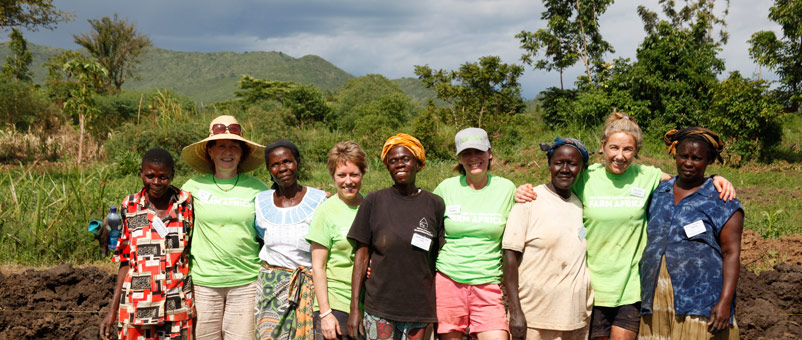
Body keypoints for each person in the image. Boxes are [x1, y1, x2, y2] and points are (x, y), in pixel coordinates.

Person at [514, 112, 736, 340]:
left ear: (636, 151)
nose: (620, 156)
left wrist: (715, 178)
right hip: (590, 286)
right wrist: (522, 190)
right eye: (614, 148)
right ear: (603, 147)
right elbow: (555, 185)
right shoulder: (585, 177)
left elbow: (688, 178)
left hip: (631, 286)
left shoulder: (646, 175)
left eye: (627, 149)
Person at [638, 128, 743, 339]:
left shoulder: (721, 200)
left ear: (708, 161)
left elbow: (731, 253)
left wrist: (724, 302)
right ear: (675, 155)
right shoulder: (659, 192)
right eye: (683, 156)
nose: (688, 162)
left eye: (697, 158)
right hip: (656, 297)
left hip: (701, 301)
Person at [347, 133, 445, 340]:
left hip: (420, 308)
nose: (399, 164)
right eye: (393, 161)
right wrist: (354, 308)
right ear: (388, 167)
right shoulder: (374, 201)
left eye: (405, 159)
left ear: (418, 163)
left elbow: (438, 259)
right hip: (380, 308)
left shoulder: (434, 204)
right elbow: (362, 256)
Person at [181, 115, 269, 340]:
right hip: (204, 282)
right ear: (209, 151)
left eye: (233, 146)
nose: (227, 152)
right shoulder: (193, 187)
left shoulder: (258, 189)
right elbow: (170, 220)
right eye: (221, 146)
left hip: (246, 281)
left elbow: (278, 220)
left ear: (242, 152)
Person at [503, 137, 593, 340]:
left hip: (575, 318)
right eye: (559, 162)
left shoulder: (579, 204)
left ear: (582, 169)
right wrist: (516, 312)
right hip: (535, 319)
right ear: (549, 165)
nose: (565, 169)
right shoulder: (530, 201)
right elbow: (509, 258)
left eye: (572, 164)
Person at [100, 148, 195, 340]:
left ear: (173, 175)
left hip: (176, 306)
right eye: (150, 176)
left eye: (163, 177)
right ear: (141, 173)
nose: (157, 183)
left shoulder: (187, 204)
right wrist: (112, 312)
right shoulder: (130, 206)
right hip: (138, 306)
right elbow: (125, 260)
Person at [432, 128, 515, 340]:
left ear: (490, 153)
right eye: (466, 153)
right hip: (449, 281)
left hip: (488, 283)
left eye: (478, 152)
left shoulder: (507, 189)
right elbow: (426, 227)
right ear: (459, 158)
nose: (473, 158)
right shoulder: (446, 188)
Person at [254, 139, 327, 340]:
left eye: (287, 161)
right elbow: (260, 236)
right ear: (269, 170)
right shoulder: (261, 201)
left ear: (298, 162)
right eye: (275, 164)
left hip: (309, 284)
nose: (282, 168)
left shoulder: (319, 200)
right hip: (271, 284)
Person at [306, 141, 368, 340]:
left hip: (368, 306)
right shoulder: (325, 211)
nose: (348, 181)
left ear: (363, 174)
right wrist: (325, 314)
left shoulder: (370, 206)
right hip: (335, 304)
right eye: (342, 175)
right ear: (333, 176)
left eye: (354, 174)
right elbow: (318, 266)